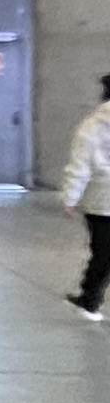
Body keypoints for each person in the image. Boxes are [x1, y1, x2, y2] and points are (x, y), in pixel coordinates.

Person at [64, 74, 110, 319]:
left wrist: (70, 198)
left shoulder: (92, 126)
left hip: (101, 201)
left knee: (103, 252)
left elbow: (80, 166)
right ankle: (89, 296)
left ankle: (90, 297)